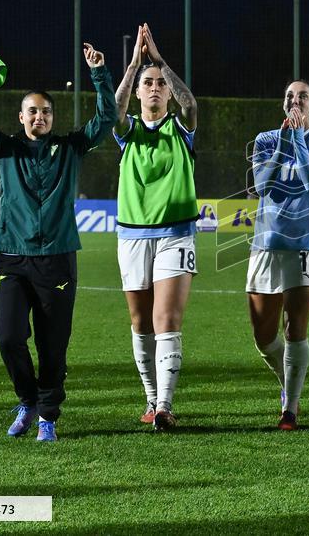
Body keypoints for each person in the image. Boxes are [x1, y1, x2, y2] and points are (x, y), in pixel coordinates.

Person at [0, 43, 117, 442]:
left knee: (52, 346)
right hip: (11, 257)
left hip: (57, 260)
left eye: (46, 111)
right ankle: (28, 400)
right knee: (8, 337)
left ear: (52, 117)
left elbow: (107, 117)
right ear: (21, 116)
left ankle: (48, 415)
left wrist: (99, 75)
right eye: (33, 111)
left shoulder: (70, 148)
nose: (40, 116)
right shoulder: (4, 148)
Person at [113, 24, 198, 432]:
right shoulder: (126, 131)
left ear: (167, 92)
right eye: (147, 83)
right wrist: (133, 66)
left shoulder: (181, 129)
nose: (153, 88)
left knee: (166, 319)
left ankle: (164, 405)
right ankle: (150, 397)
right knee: (139, 321)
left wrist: (161, 61)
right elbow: (112, 111)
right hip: (131, 235)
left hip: (176, 233)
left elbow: (191, 104)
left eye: (159, 84)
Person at [248, 78, 309, 431]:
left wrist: (298, 140)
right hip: (265, 245)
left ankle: (292, 407)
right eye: (289, 95)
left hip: (304, 245)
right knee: (263, 337)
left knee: (294, 328)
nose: (295, 100)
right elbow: (260, 185)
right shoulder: (266, 139)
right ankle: (288, 383)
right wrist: (285, 141)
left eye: (303, 96)